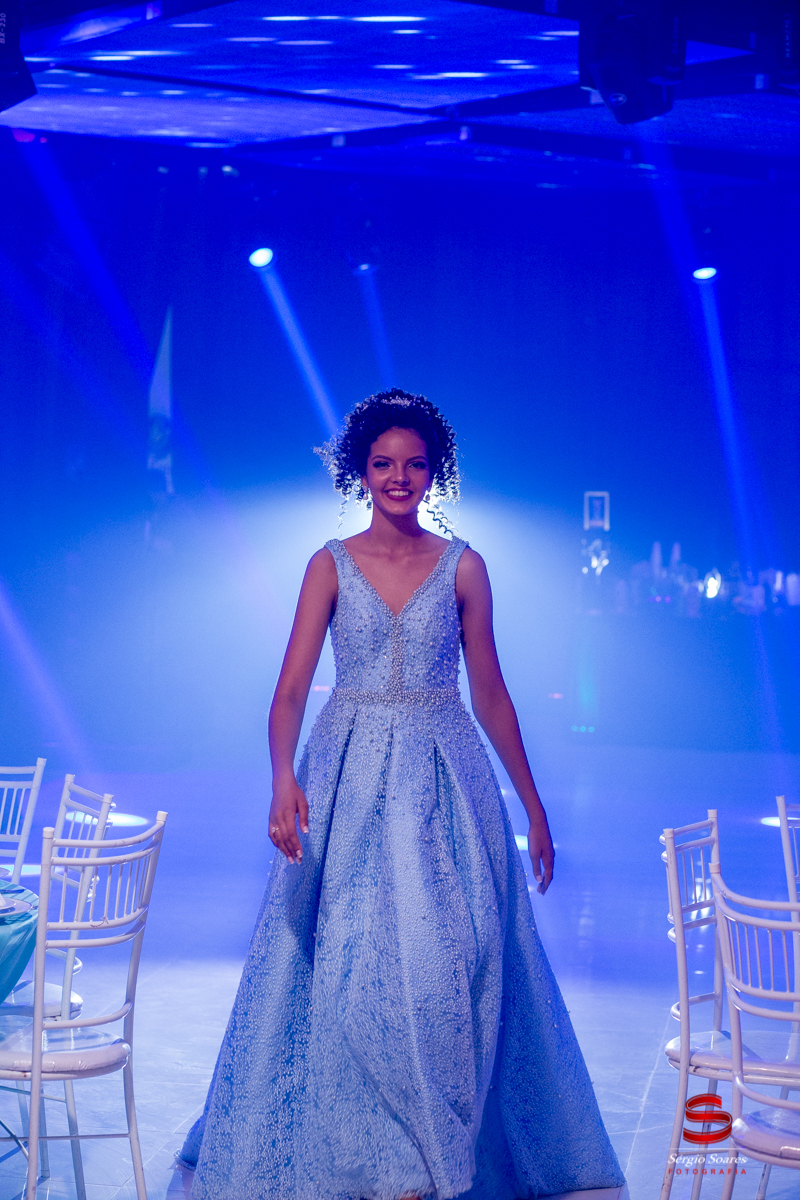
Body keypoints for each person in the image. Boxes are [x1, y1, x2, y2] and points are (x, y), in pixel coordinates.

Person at [181, 389, 624, 1200]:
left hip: (443, 783)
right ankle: (382, 1160)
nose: (398, 477)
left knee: (447, 968)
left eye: (414, 464)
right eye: (383, 464)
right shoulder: (328, 565)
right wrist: (282, 779)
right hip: (346, 780)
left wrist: (534, 806)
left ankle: (429, 1153)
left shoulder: (465, 567)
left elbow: (492, 694)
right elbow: (289, 691)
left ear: (434, 472)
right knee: (347, 968)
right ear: (360, 471)